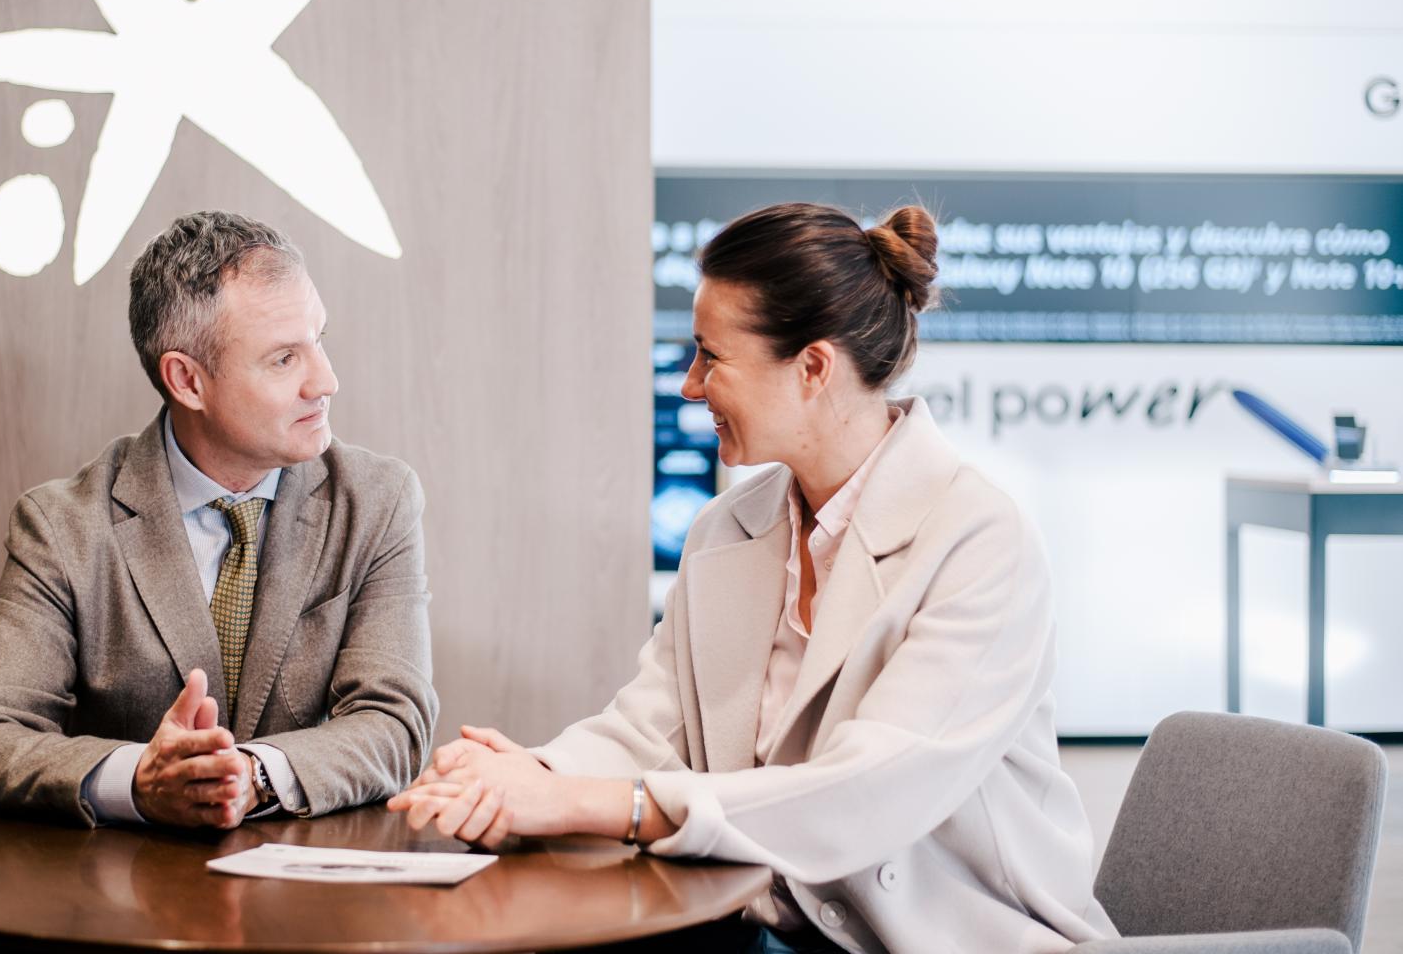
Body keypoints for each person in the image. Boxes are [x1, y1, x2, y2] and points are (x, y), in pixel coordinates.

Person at [389, 203, 1117, 953]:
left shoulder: (979, 540)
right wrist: (523, 774)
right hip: (770, 930)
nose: (690, 387)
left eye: (710, 357)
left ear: (812, 368)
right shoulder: (727, 529)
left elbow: (866, 794)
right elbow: (651, 728)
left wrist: (576, 802)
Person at [0, 210, 435, 829]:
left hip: (303, 904)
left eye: (318, 340)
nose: (325, 380)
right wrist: (138, 781)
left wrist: (250, 775)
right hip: (113, 903)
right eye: (283, 359)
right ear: (187, 381)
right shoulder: (63, 525)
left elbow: (395, 723)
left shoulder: (377, 501)